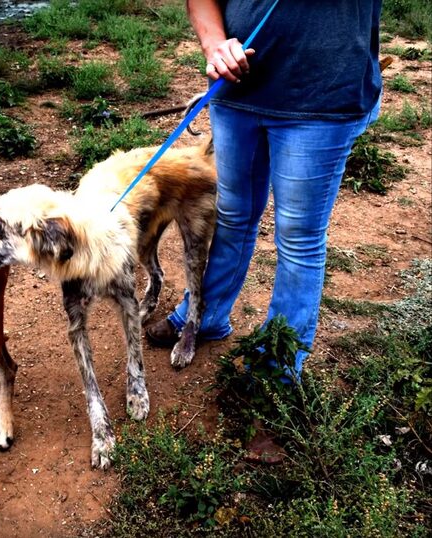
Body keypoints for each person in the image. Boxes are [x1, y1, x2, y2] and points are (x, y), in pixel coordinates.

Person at [146, 1, 383, 460]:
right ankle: (205, 316)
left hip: (323, 95)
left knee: (297, 237)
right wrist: (214, 44)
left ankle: (276, 377)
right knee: (233, 216)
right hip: (238, 95)